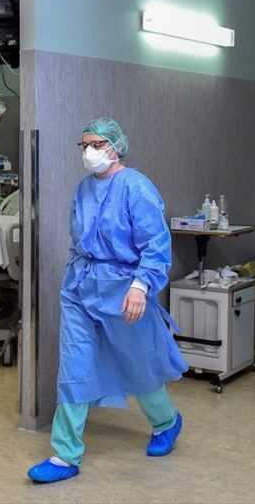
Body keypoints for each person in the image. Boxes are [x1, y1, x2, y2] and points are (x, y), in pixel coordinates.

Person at [27, 117, 188, 484]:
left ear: (116, 147)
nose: (89, 151)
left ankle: (166, 422)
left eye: (97, 144)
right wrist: (75, 279)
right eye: (84, 145)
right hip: (80, 288)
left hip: (124, 290)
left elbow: (156, 244)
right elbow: (79, 241)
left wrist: (141, 286)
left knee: (138, 362)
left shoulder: (137, 187)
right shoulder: (84, 189)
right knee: (74, 365)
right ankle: (65, 455)